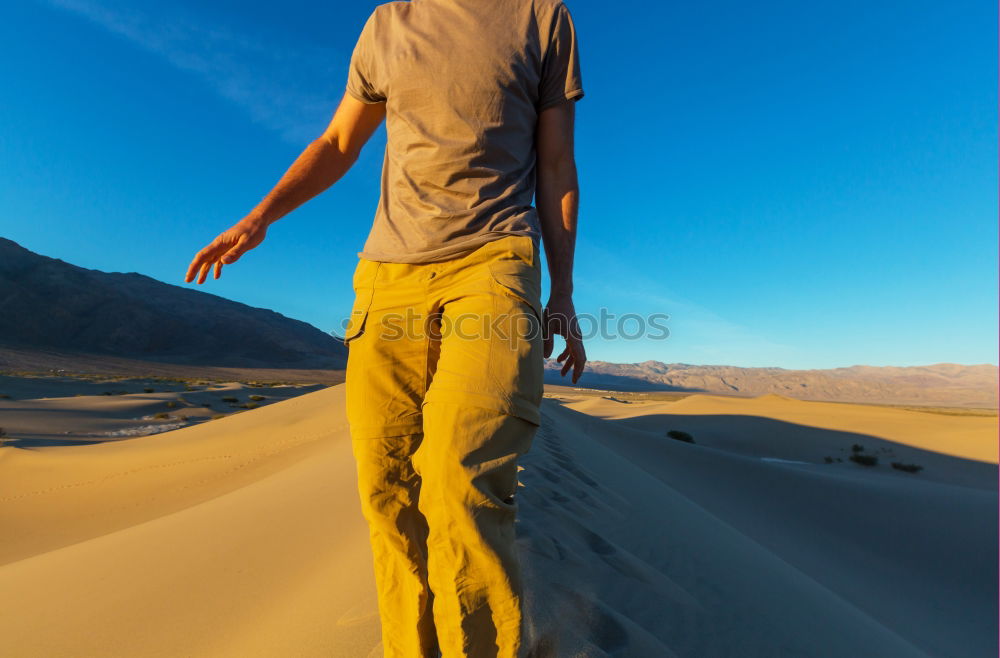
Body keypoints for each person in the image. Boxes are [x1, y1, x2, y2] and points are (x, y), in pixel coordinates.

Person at [184, 1, 585, 655]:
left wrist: (562, 290)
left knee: (464, 479)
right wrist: (261, 217)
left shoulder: (542, 18)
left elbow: (556, 166)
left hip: (494, 262)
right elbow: (340, 142)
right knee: (387, 488)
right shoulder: (386, 24)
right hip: (386, 276)